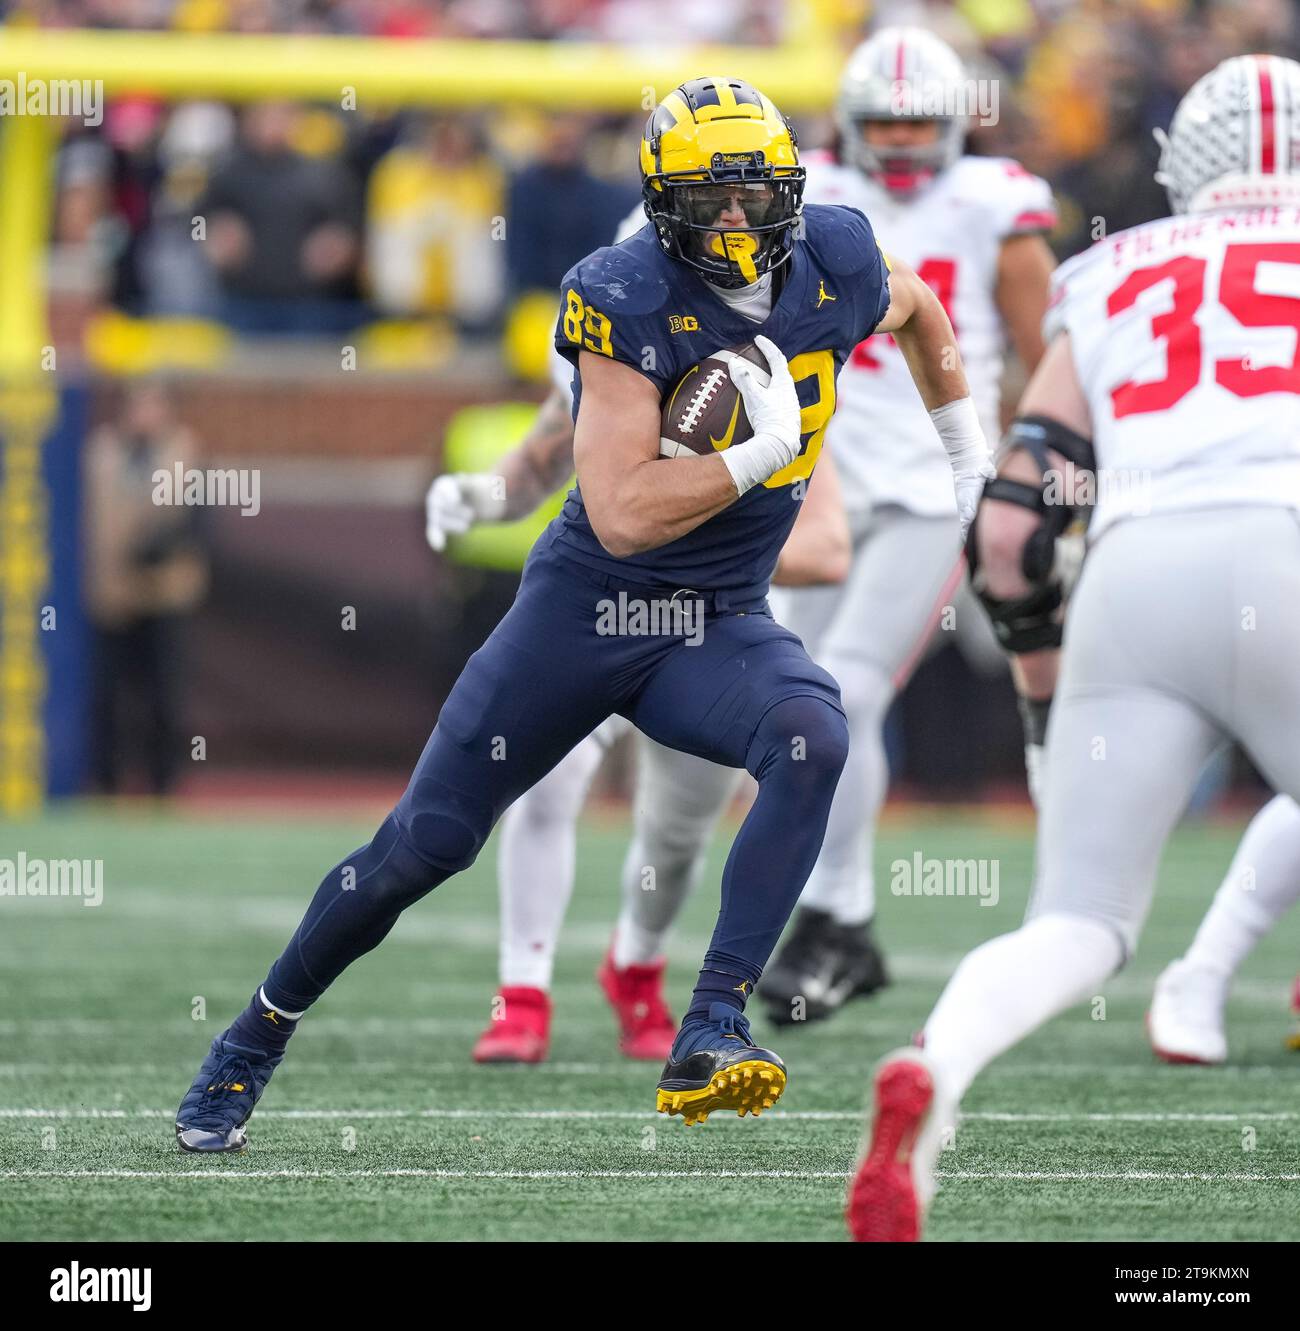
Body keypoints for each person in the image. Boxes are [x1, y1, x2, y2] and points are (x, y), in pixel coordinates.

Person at [175, 75, 991, 1150]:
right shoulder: (623, 291)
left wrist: (965, 453)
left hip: (711, 618)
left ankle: (711, 1024)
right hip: (589, 613)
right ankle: (253, 1034)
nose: (740, 217)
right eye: (715, 197)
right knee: (421, 845)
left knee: (813, 730)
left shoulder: (837, 254)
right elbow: (619, 514)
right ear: (664, 202)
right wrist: (757, 454)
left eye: (756, 192)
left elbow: (922, 307)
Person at [430, 28, 1055, 1055]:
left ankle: (718, 947)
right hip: (610, 580)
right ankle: (523, 991)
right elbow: (568, 446)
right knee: (542, 773)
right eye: (688, 226)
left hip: (741, 578)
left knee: (728, 782)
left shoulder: (815, 291)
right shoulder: (620, 306)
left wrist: (965, 458)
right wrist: (486, 493)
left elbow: (836, 502)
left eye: (745, 212)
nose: (718, 243)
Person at [847, 53, 1300, 1242]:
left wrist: (1047, 707)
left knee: (1079, 923)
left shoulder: (1110, 272)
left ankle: (936, 1069)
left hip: (1136, 575)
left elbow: (1007, 532)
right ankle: (1203, 981)